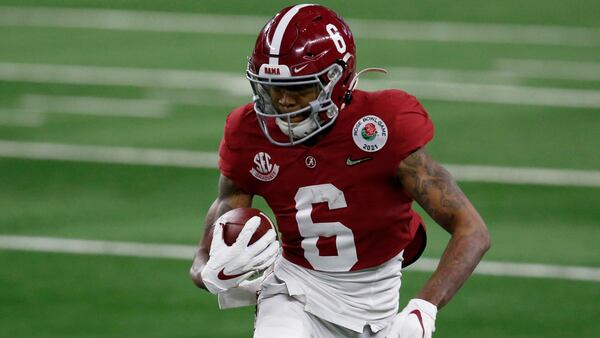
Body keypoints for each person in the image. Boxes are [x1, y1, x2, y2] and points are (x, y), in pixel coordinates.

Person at [190, 4, 490, 338]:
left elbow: (472, 231)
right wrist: (207, 271)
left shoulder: (381, 127)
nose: (283, 102)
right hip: (294, 290)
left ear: (336, 80)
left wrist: (425, 306)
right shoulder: (248, 132)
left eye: (298, 88)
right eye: (273, 88)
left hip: (376, 301)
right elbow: (215, 229)